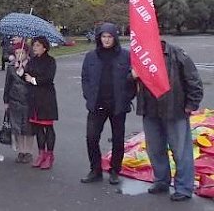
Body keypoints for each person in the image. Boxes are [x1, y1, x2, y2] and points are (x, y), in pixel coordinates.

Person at [134, 40, 203, 202]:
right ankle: (161, 180)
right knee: (155, 149)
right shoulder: (140, 55)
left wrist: (192, 104)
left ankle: (184, 188)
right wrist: (132, 75)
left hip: (175, 111)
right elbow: (129, 79)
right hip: (150, 111)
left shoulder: (176, 53)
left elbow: (193, 80)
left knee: (181, 151)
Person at [80, 23, 135, 185]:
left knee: (118, 139)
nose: (106, 40)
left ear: (115, 38)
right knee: (91, 138)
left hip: (118, 105)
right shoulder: (91, 56)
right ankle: (95, 170)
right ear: (99, 38)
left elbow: (133, 81)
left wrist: (127, 97)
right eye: (103, 36)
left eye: (110, 36)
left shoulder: (125, 56)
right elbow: (85, 78)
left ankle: (114, 171)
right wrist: (89, 96)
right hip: (97, 104)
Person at [25, 36, 58, 169]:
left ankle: (49, 155)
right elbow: (26, 76)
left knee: (48, 127)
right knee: (38, 128)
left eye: (38, 45)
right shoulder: (32, 61)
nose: (35, 48)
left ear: (45, 47)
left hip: (46, 98)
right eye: (34, 45)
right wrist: (21, 71)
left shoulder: (50, 61)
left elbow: (48, 78)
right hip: (33, 98)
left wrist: (33, 80)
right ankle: (41, 154)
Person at [3, 42, 34, 163]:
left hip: (28, 100)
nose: (19, 55)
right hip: (14, 100)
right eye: (16, 53)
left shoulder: (31, 66)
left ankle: (29, 151)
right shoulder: (11, 67)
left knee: (28, 128)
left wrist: (26, 74)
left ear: (26, 53)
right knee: (17, 128)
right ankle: (21, 151)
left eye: (21, 53)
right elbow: (7, 84)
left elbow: (35, 83)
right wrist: (6, 101)